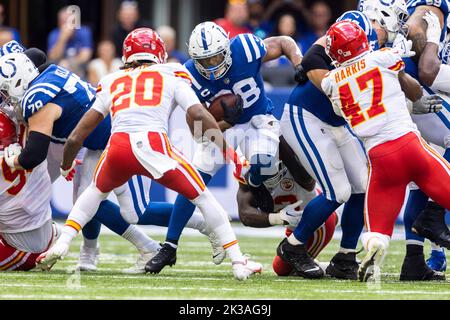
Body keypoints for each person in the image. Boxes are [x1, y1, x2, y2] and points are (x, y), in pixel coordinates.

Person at [37, 28, 263, 281]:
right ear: (159, 53)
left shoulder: (112, 80)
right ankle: (238, 261)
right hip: (153, 146)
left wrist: (67, 166)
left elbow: (76, 137)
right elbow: (199, 115)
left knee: (92, 194)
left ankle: (64, 242)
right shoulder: (172, 72)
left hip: (117, 147)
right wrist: (232, 155)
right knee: (204, 198)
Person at [277, 0, 444, 281]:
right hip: (306, 115)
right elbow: (313, 58)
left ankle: (344, 256)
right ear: (379, 14)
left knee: (361, 187)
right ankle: (292, 246)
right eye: (397, 18)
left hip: (339, 121)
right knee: (338, 192)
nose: (399, 26)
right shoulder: (356, 25)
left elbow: (388, 79)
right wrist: (335, 84)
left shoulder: (372, 53)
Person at [147, 21, 305, 274]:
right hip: (225, 128)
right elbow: (196, 131)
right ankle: (169, 245)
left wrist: (299, 64)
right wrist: (225, 120)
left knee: (264, 165)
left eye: (216, 57)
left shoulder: (245, 47)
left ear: (227, 49)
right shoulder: (190, 75)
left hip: (258, 119)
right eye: (205, 60)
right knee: (192, 182)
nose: (211, 66)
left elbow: (284, 42)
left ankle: (253, 183)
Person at [321, 20, 450, 282]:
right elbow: (413, 90)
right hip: (408, 144)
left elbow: (344, 108)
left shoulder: (330, 81)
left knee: (378, 227)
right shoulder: (383, 58)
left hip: (379, 157)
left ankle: (375, 246)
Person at [236, 137, 338, 277]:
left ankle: (339, 264)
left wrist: (282, 147)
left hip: (316, 218)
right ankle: (333, 268)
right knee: (281, 269)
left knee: (286, 269)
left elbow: (307, 183)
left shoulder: (290, 148)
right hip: (294, 226)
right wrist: (278, 218)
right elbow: (245, 214)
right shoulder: (244, 166)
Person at [47, 6, 94, 76]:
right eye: (63, 22)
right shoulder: (54, 34)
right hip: (59, 68)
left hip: (80, 67)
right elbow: (53, 57)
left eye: (68, 21)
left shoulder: (84, 31)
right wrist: (62, 39)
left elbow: (85, 56)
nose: (66, 25)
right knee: (62, 65)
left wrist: (69, 63)